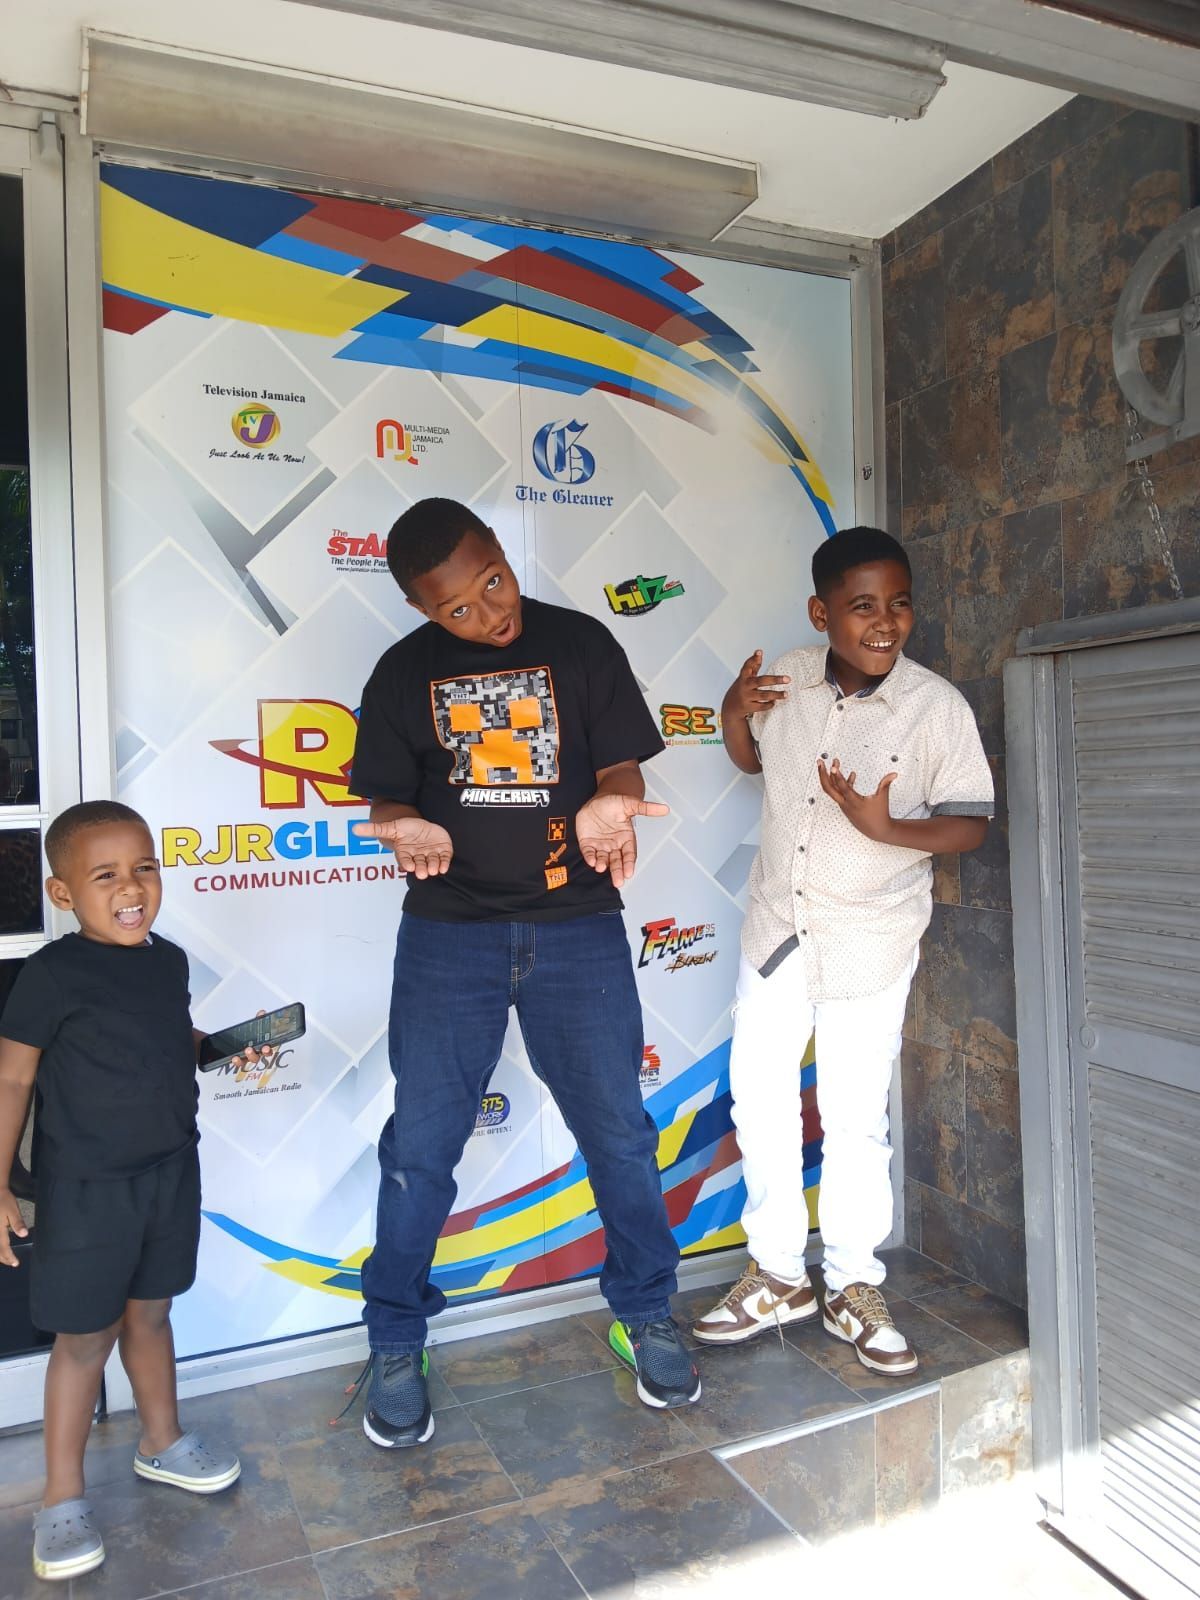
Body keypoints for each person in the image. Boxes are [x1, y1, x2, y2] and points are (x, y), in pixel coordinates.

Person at [348, 496, 700, 1447]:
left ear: (504, 554)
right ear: (428, 613)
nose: (487, 612)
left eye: (492, 583)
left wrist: (610, 806)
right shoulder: (401, 674)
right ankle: (395, 1338)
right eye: (458, 608)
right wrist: (402, 828)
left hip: (576, 926)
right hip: (449, 935)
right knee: (420, 1147)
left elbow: (621, 768)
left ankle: (644, 1311)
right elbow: (385, 797)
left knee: (620, 1135)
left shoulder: (580, 644)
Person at [692, 527, 993, 1374]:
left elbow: (971, 823)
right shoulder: (785, 680)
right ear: (823, 612)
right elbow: (754, 764)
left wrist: (885, 826)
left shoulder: (936, 708)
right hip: (778, 933)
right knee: (761, 1102)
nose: (885, 622)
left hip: (869, 939)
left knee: (856, 1120)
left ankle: (854, 1283)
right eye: (863, 606)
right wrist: (730, 717)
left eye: (898, 603)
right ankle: (779, 1274)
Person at [0, 801, 268, 1583]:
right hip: (84, 1191)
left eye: (144, 868)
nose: (132, 888)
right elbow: (13, 1076)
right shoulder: (50, 976)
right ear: (61, 895)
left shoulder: (167, 959)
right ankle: (61, 1498)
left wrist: (223, 1049)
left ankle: (162, 1443)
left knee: (151, 1315)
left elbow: (167, 1034)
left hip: (169, 1174)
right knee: (84, 1340)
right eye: (106, 875)